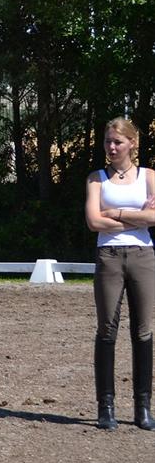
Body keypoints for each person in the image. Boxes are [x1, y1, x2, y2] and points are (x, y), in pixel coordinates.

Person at [84, 117, 155, 430]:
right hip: (109, 256)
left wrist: (117, 213)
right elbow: (93, 222)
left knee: (143, 330)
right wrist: (137, 218)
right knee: (107, 329)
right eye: (108, 142)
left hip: (143, 256)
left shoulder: (149, 177)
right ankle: (106, 407)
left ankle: (143, 407)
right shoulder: (97, 179)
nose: (111, 147)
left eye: (117, 142)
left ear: (132, 144)